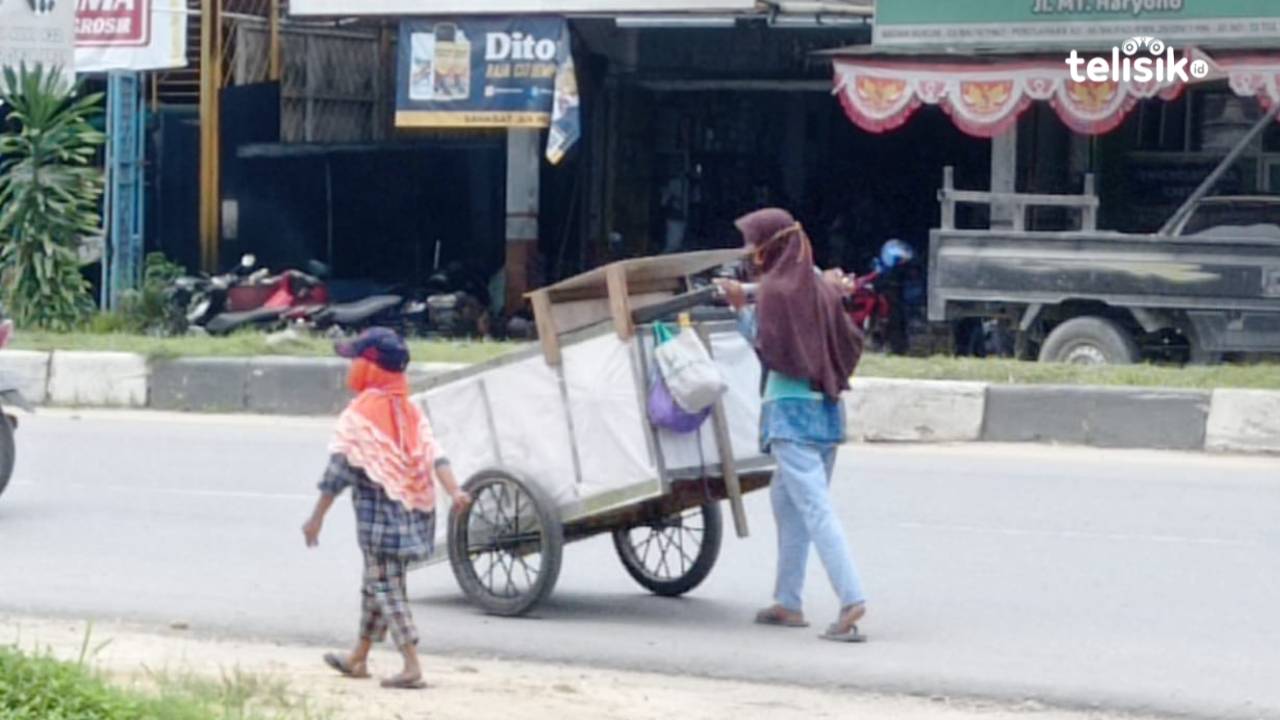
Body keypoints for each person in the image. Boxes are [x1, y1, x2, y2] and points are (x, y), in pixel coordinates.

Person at [716, 208, 870, 643]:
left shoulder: (776, 294)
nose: (749, 252)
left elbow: (766, 346)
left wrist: (738, 308)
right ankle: (788, 600)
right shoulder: (819, 286)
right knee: (788, 503)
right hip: (826, 411)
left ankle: (851, 598)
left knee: (816, 509)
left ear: (771, 245)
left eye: (753, 243)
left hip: (790, 414)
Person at [302, 327, 471, 689]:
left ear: (371, 367)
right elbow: (434, 453)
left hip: (379, 523)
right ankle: (358, 657)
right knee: (375, 587)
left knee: (387, 590)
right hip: (414, 517)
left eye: (356, 360)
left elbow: (337, 473)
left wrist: (316, 518)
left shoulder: (360, 416)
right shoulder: (409, 411)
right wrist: (454, 491)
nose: (351, 368)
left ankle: (411, 665)